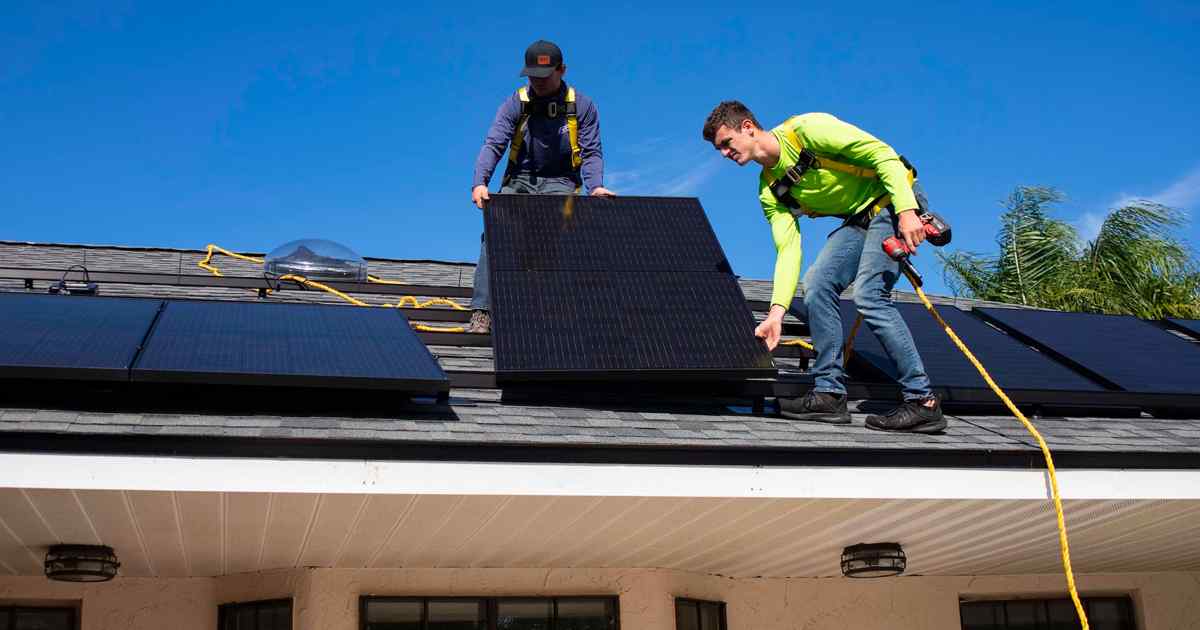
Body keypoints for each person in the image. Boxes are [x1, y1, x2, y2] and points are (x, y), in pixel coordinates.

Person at [702, 101, 946, 433]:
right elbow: (788, 250)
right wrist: (776, 313)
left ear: (747, 127)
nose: (724, 154)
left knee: (870, 295)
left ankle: (923, 401)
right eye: (719, 149)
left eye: (726, 144)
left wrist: (906, 211)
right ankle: (829, 394)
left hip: (892, 200)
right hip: (859, 220)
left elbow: (884, 156)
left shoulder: (806, 131)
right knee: (816, 286)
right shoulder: (770, 190)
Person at [467, 40, 614, 333]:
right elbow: (494, 143)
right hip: (520, 178)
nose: (538, 82)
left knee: (558, 233)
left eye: (544, 76)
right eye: (532, 75)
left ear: (562, 70)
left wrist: (595, 186)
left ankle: (554, 310)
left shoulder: (581, 105)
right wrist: (480, 182)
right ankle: (483, 311)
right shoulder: (516, 103)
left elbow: (592, 152)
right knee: (495, 233)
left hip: (561, 181)